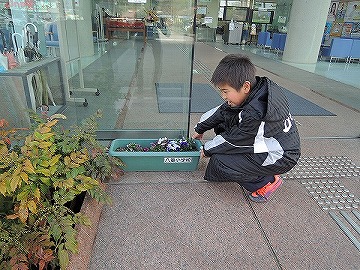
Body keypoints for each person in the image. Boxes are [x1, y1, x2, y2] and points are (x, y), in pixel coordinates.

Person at [192, 54, 301, 203]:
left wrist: (207, 149)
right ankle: (256, 171)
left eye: (225, 91)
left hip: (281, 156)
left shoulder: (256, 112)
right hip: (271, 142)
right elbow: (223, 111)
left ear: (245, 86)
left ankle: (267, 181)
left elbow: (234, 141)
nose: (223, 96)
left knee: (220, 161)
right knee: (224, 121)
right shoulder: (260, 88)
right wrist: (200, 128)